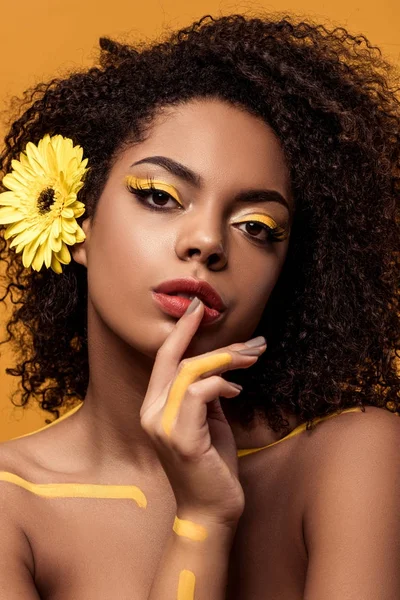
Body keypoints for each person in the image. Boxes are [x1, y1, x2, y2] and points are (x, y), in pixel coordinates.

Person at [0, 12, 399, 599]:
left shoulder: (356, 460)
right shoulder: (13, 505)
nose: (209, 241)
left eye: (257, 227)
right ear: (76, 222)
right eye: (161, 196)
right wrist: (201, 524)